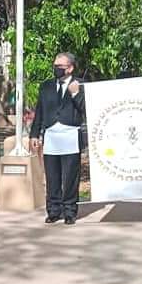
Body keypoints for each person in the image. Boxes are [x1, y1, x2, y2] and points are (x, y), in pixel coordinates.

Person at [30, 52, 85, 225]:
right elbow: (39, 111)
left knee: (70, 177)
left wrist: (76, 94)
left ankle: (70, 211)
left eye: (60, 66)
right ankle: (53, 211)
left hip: (70, 135)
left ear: (70, 68)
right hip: (51, 136)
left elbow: (86, 109)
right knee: (52, 176)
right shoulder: (46, 86)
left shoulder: (80, 85)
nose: (56, 69)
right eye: (55, 66)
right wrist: (34, 134)